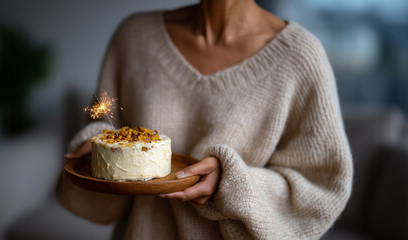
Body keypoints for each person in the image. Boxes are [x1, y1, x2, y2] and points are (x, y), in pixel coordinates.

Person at [57, 0, 353, 239]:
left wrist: (233, 184)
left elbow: (323, 187)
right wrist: (95, 141)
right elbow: (103, 121)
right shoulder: (133, 37)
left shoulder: (300, 57)